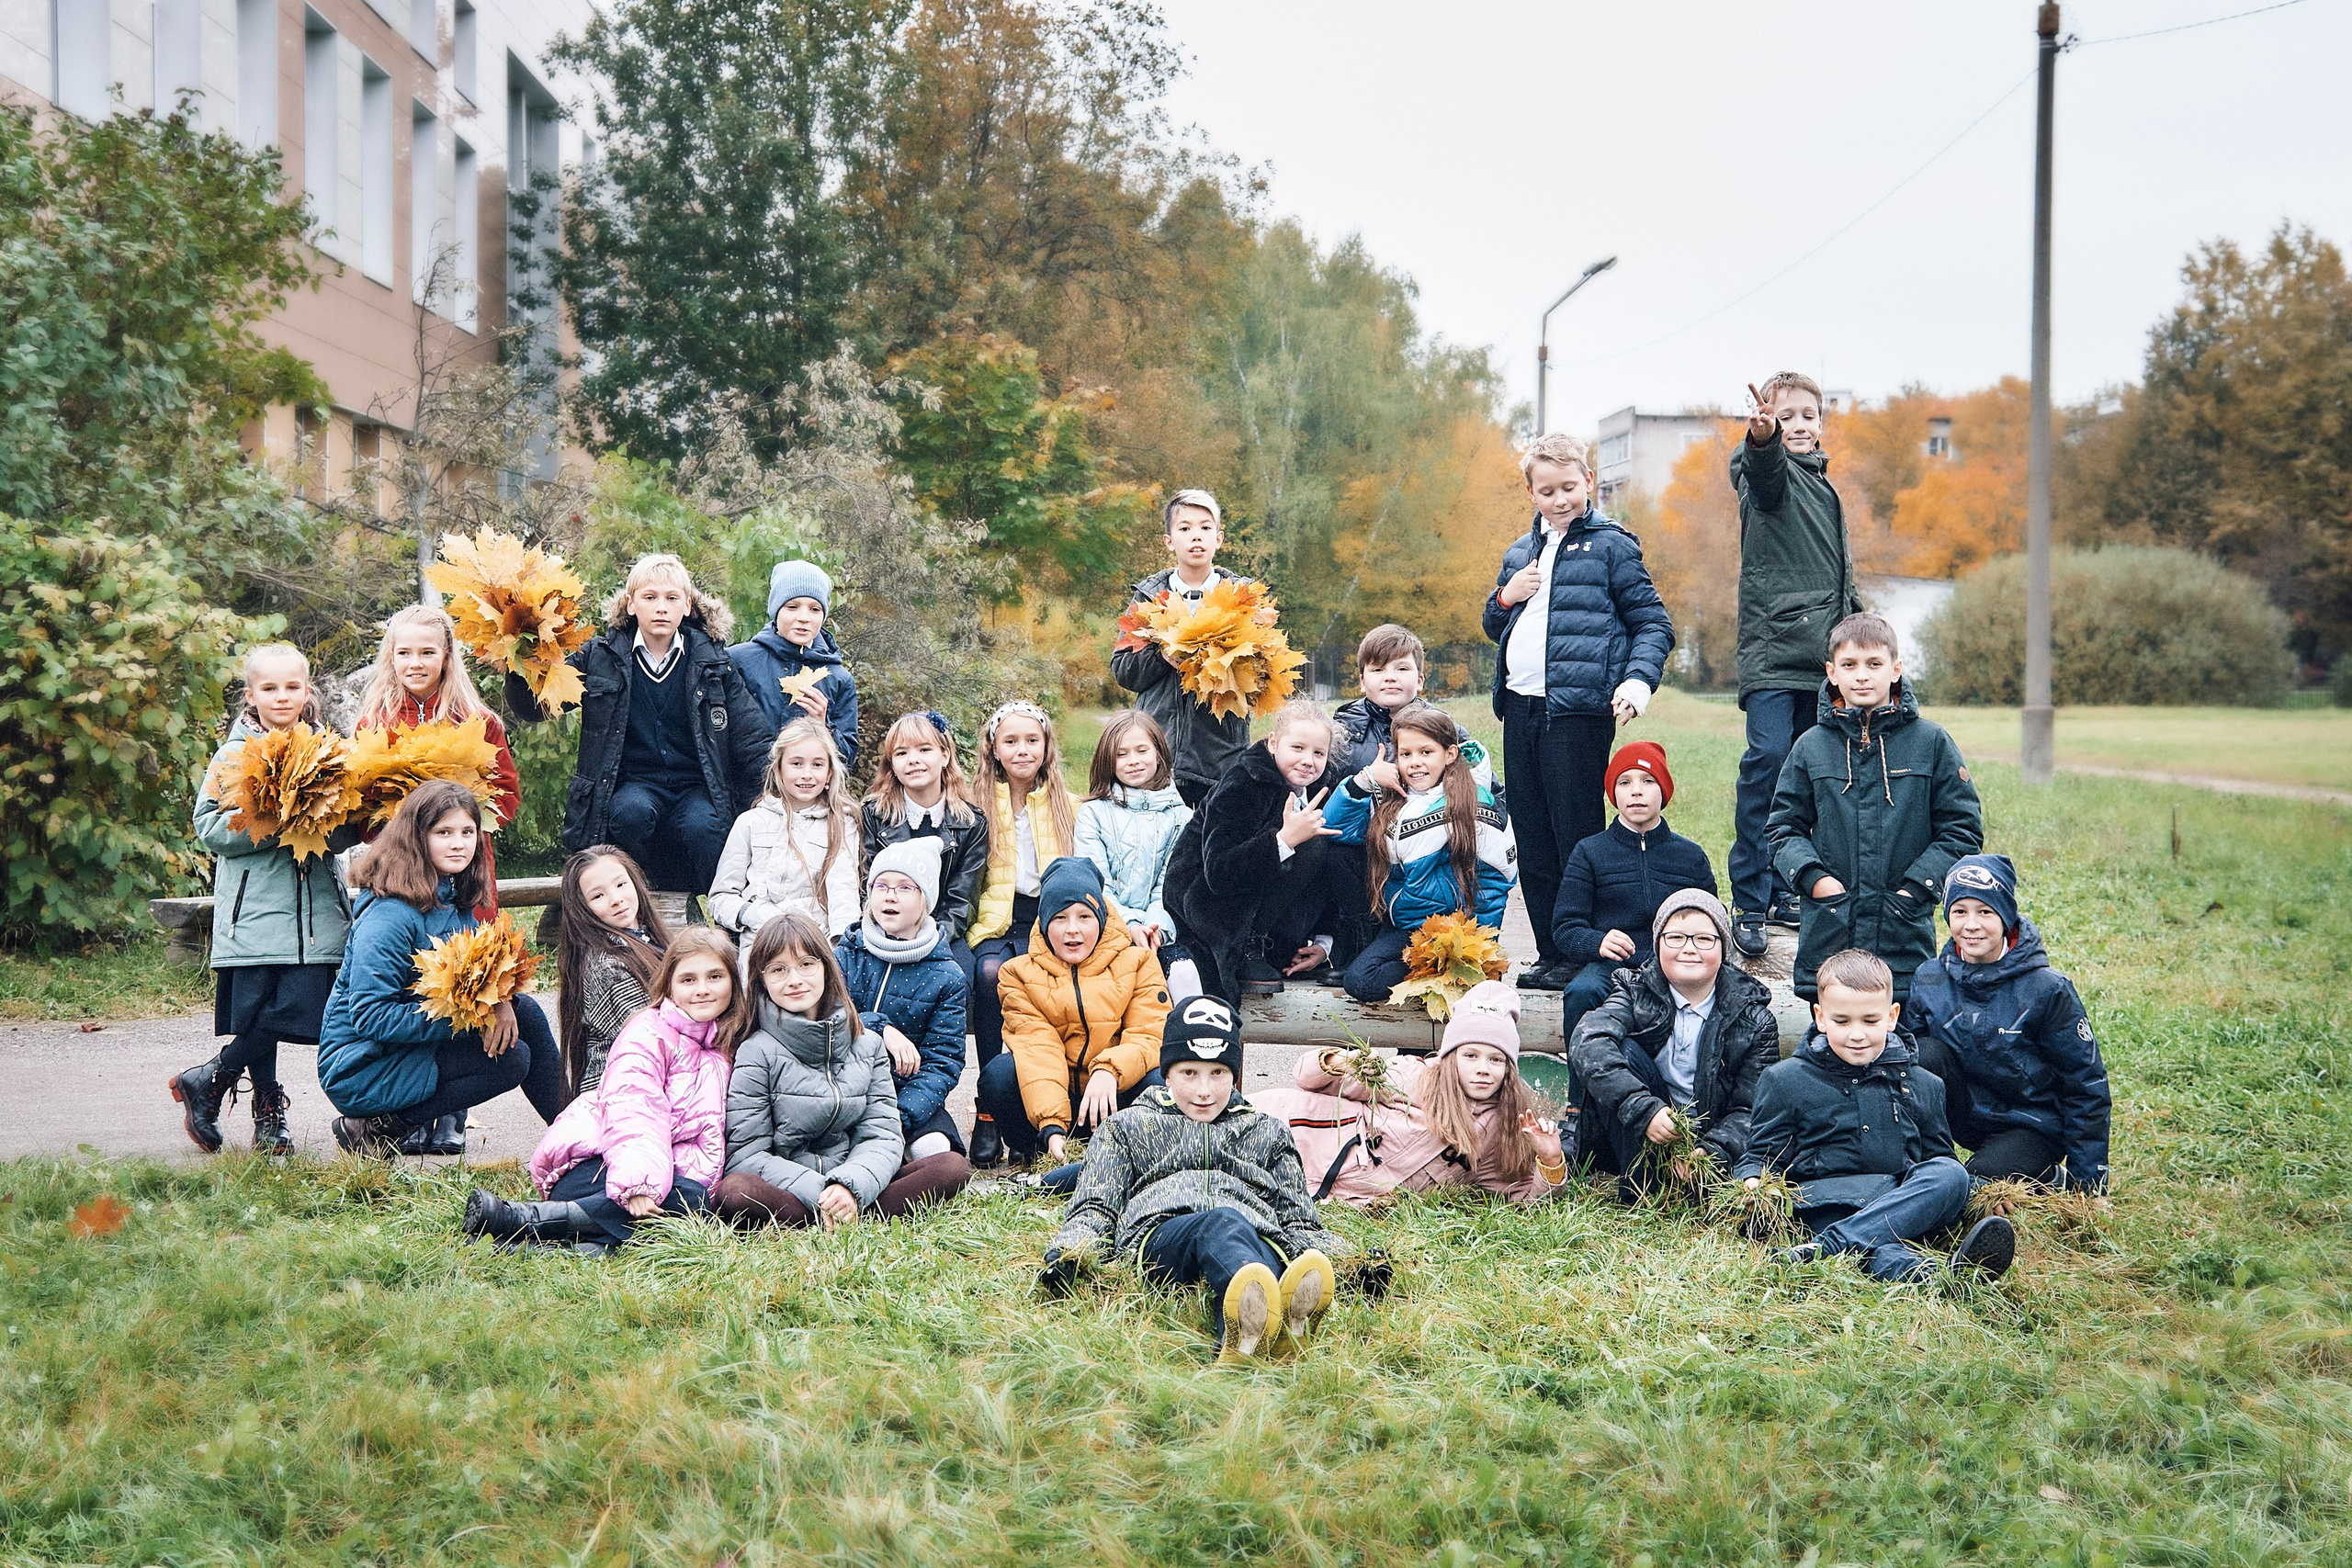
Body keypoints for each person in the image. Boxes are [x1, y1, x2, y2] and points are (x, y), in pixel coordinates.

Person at [1040, 996, 1352, 1363]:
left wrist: (1350, 1262)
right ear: (1167, 1073)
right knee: (1222, 1222)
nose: (1205, 1090)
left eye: (1218, 1073)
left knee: (1259, 1244)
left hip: (1254, 1234)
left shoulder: (1267, 1132)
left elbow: (1298, 1218)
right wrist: (1072, 1250)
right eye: (1190, 1073)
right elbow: (1096, 1203)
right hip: (1163, 1237)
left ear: (1234, 1075)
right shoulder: (1127, 1127)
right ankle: (1272, 1321)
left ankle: (1246, 1341)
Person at [1483, 434, 1676, 994]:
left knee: (1575, 837)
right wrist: (1504, 597)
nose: (1560, 498)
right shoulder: (1520, 552)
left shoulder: (1613, 547)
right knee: (1535, 837)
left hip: (1579, 712)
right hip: (1521, 710)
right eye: (1548, 490)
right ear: (1531, 492)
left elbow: (1652, 623)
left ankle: (1588, 950)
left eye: (1569, 487)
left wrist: (1637, 681)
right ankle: (1551, 950)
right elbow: (1495, 627)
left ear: (1588, 482)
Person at [353, 604, 528, 1154]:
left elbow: (507, 798)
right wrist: (403, 812)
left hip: (466, 875)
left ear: (448, 656)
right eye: (404, 652)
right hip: (403, 878)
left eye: (427, 651)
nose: (415, 662)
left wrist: (458, 803)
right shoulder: (374, 720)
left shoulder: (478, 719)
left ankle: (454, 1114)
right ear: (391, 657)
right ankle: (404, 1109)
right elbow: (357, 813)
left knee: (469, 977)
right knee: (412, 987)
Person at [1735, 948, 2017, 1285]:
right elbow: (1761, 1155)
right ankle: (1939, 1279)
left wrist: (1981, 1194)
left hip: (1901, 1203)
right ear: (1820, 1016)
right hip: (1828, 1203)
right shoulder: (1784, 1080)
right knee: (1879, 1247)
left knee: (1951, 1174)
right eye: (1842, 1021)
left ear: (1892, 1016)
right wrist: (1752, 1180)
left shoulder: (1924, 1083)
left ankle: (1822, 1251)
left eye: (1870, 1021)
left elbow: (1937, 1157)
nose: (1857, 1034)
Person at [173, 644, 357, 1156]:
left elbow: (338, 836)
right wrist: (279, 822)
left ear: (308, 691)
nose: (282, 696)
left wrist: (338, 821)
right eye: (270, 688)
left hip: (318, 914)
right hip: (254, 915)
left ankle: (212, 1078)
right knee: (260, 1018)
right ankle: (268, 1115)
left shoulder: (325, 750)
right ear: (250, 695)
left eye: (292, 687)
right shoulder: (233, 755)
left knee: (303, 1010)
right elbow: (209, 827)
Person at [465, 928, 748, 1251]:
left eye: (715, 977)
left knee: (685, 1210)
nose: (702, 990)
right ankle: (526, 1217)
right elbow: (635, 1109)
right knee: (687, 1199)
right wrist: (639, 1183)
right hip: (598, 1164)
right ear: (668, 984)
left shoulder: (731, 1040)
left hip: (666, 1175)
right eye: (688, 980)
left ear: (733, 982)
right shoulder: (649, 1033)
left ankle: (526, 1247)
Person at [507, 552, 774, 897]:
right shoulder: (600, 657)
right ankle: (637, 900)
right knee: (629, 813)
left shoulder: (713, 662)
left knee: (706, 826)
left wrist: (770, 801)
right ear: (631, 605)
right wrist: (519, 666)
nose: (660, 608)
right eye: (650, 598)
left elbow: (752, 739)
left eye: (671, 598)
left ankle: (724, 920)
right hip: (633, 783)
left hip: (695, 785)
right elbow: (538, 705)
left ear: (687, 606)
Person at [318, 781, 563, 1153]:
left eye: (467, 832)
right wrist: (474, 1013)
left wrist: (498, 1000)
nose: (458, 843)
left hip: (406, 1050)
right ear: (416, 837)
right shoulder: (389, 917)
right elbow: (371, 1017)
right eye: (443, 832)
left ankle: (574, 1128)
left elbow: (468, 984)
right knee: (511, 1059)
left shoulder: (452, 899)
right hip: (360, 1066)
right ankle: (377, 1128)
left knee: (521, 1012)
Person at [1767, 612, 1984, 1003]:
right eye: (1849, 665)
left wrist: (1915, 890)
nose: (1862, 675)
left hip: (1901, 931)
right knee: (1830, 1046)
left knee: (1903, 1043)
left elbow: (1962, 830)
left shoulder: (1931, 743)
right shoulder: (1811, 746)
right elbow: (1782, 828)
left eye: (1874, 664)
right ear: (1832, 673)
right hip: (1831, 930)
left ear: (1896, 669)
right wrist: (1817, 881)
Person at [712, 914, 972, 1227]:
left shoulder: (868, 1044)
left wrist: (849, 1185)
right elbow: (748, 1155)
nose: (794, 979)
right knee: (736, 1192)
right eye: (779, 970)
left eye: (806, 964)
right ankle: (843, 1217)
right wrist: (822, 1193)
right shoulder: (756, 1051)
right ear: (761, 980)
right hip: (791, 1189)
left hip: (857, 1178)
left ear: (826, 968)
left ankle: (841, 1214)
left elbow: (882, 1136)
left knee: (951, 1168)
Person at [1727, 373, 1866, 958]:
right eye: (1788, 417)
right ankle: (1751, 898)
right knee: (1767, 760)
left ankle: (1790, 883)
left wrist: (1859, 632)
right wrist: (1763, 441)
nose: (1800, 426)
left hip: (1822, 657)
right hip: (1773, 651)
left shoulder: (1824, 487)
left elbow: (1839, 580)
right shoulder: (1771, 478)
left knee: (1811, 773)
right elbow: (1762, 475)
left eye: (1809, 415)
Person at [1905, 853, 2112, 1190]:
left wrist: (2089, 1184)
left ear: (2006, 915)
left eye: (1985, 912)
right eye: (1959, 912)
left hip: (2032, 1124)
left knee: (1973, 1190)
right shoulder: (1929, 977)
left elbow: (2085, 1085)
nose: (1971, 925)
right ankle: (1929, 1167)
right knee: (1921, 1054)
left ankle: (2041, 1175)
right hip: (1967, 1112)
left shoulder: (2048, 989)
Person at [1258, 980, 1568, 1205]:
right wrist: (1340, 1062)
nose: (1484, 1069)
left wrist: (1551, 1158)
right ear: (1450, 1058)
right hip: (1299, 1127)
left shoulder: (1497, 1131)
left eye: (1496, 1059)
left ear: (1509, 1069)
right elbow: (1305, 1077)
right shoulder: (1414, 1076)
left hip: (1335, 1190)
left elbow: (1527, 1200)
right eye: (1470, 1055)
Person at [1566, 891, 1779, 1197]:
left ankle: (1691, 1181)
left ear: (1723, 949)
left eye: (1704, 940)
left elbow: (1751, 1107)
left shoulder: (1755, 1020)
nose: (1689, 949)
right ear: (1657, 945)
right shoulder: (1634, 990)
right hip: (1641, 1124)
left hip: (1706, 1137)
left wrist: (1712, 1150)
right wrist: (1643, 1109)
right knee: (1622, 1051)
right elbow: (1588, 1040)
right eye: (1675, 937)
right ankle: (1641, 1188)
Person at [978, 857, 1173, 1167]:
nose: (1073, 930)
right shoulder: (1017, 974)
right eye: (1059, 918)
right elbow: (1036, 1047)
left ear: (1101, 918)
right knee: (999, 1075)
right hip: (1058, 1097)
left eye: (1084, 916)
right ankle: (1037, 1152)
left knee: (1160, 1080)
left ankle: (1133, 1153)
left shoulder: (1139, 962)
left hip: (1114, 1092)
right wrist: (1052, 1125)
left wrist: (1109, 1069)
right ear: (1043, 923)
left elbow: (1151, 1035)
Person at [1323, 703, 1518, 1005]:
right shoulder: (1390, 795)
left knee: (1374, 981)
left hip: (1456, 930)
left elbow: (1495, 879)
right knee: (1360, 980)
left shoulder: (1473, 801)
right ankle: (1430, 976)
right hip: (1404, 923)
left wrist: (1480, 945)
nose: (1415, 762)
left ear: (1449, 754)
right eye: (1406, 754)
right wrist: (1363, 781)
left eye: (1426, 752)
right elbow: (1336, 829)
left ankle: (1443, 976)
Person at [1160, 701, 1357, 999]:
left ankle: (1277, 946)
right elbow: (1219, 872)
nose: (1308, 760)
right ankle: (1247, 949)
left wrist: (1323, 941)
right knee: (1306, 841)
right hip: (1202, 900)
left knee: (1327, 844)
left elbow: (1321, 874)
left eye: (1318, 753)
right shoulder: (1244, 782)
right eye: (1298, 748)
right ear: (1273, 743)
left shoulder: (1318, 788)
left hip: (1256, 906)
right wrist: (1283, 840)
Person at [964, 701, 1079, 1162]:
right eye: (1010, 741)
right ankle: (989, 1109)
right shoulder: (976, 804)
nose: (1022, 750)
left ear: (1047, 746)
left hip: (1049, 918)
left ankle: (1047, 1105)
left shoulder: (1066, 804)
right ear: (993, 748)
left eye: (1032, 740)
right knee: (992, 974)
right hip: (999, 917)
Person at [1551, 740, 1719, 1039]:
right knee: (1582, 992)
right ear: (1613, 793)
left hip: (1676, 965)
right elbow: (1565, 927)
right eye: (1625, 782)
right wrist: (1597, 942)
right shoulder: (1590, 852)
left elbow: (1715, 924)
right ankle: (1581, 1085)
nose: (1636, 791)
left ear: (1664, 791)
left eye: (1648, 781)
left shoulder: (1690, 856)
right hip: (1610, 967)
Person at [1110, 490, 1253, 807]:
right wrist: (1160, 656)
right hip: (1157, 749)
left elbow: (1262, 674)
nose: (1195, 537)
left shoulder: (1240, 597)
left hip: (1219, 754)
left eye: (1205, 527)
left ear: (1219, 538)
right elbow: (1123, 670)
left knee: (1211, 845)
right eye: (1184, 528)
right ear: (1169, 541)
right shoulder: (1149, 597)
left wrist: (1220, 661)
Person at [834, 838, 970, 1160]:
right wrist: (879, 1029)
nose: (890, 895)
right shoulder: (846, 954)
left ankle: (891, 1162)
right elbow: (825, 1018)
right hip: (841, 1090)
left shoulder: (947, 976)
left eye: (905, 888)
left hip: (905, 1097)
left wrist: (899, 1115)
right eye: (881, 885)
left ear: (926, 900)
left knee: (937, 1154)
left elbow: (943, 1062)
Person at [859, 710, 989, 985]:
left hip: (942, 929)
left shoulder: (970, 822)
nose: (913, 760)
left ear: (944, 756)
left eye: (924, 749)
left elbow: (961, 900)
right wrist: (892, 929)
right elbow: (866, 883)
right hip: (884, 925)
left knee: (962, 976)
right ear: (891, 764)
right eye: (902, 753)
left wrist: (927, 936)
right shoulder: (873, 814)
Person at [1071, 709, 1196, 993]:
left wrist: (1155, 929)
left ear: (1159, 754)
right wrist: (1129, 925)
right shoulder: (1093, 813)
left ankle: (1191, 1037)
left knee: (1184, 973)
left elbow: (1169, 885)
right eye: (1122, 754)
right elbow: (1095, 882)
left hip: (1160, 930)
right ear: (1107, 760)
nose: (1134, 761)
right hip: (1106, 931)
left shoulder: (1181, 817)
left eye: (1142, 750)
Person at [707, 717, 862, 942]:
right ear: (778, 769)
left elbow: (843, 889)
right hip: (761, 939)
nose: (807, 774)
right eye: (796, 764)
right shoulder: (751, 822)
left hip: (817, 938)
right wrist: (753, 915)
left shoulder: (841, 823)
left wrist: (840, 943)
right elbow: (721, 897)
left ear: (829, 773)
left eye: (817, 765)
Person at [549, 845, 672, 1100]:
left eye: (621, 884)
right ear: (581, 909)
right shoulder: (607, 967)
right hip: (624, 1091)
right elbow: (654, 1038)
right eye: (598, 896)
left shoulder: (650, 938)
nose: (616, 899)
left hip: (657, 1078)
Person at [728, 558, 860, 770]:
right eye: (792, 607)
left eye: (815, 609)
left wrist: (824, 724)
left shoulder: (838, 678)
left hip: (810, 797)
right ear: (776, 609)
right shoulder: (737, 661)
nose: (803, 618)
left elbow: (847, 762)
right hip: (746, 795)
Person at [1331, 623, 1428, 777]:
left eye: (1402, 669)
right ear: (1362, 682)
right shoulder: (1339, 734)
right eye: (1378, 670)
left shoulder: (1444, 729)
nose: (1390, 677)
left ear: (1419, 680)